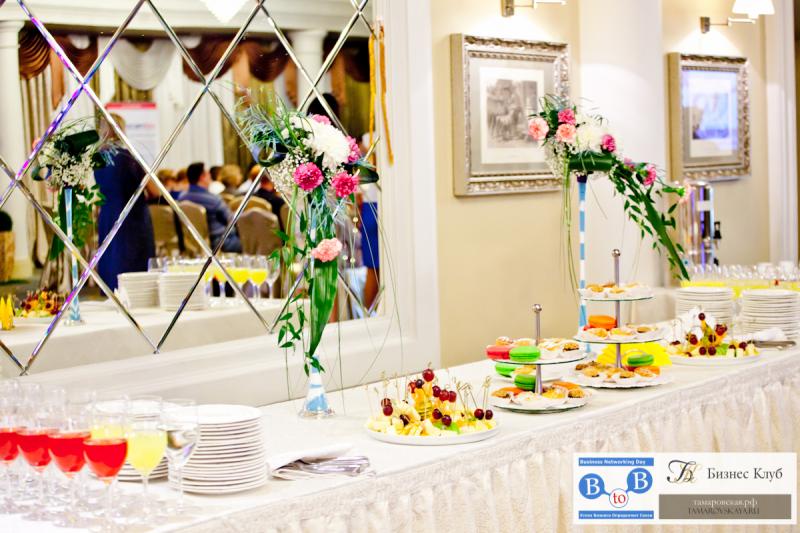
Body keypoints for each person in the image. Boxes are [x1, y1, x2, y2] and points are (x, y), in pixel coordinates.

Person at [94, 114, 156, 291]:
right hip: (132, 216)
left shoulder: (97, 159)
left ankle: (111, 294)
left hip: (108, 214)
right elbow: (155, 191)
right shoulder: (130, 157)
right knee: (133, 263)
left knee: (112, 258)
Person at [179, 162, 241, 253]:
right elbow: (232, 219)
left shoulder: (182, 198)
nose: (210, 176)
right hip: (218, 243)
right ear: (202, 177)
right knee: (251, 242)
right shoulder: (213, 200)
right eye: (208, 174)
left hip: (192, 242)